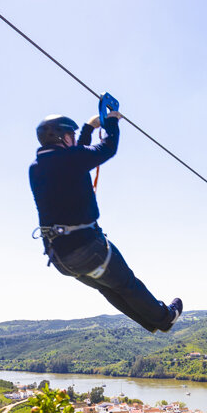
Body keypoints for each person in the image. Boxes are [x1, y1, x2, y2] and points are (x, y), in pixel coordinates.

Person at [29, 109, 182, 332]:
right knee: (127, 283)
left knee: (111, 288)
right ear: (62, 137)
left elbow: (78, 155)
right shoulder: (69, 160)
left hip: (62, 259)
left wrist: (89, 128)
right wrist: (111, 122)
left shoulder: (37, 167)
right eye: (71, 134)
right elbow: (106, 149)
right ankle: (164, 317)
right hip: (88, 249)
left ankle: (151, 322)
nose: (74, 138)